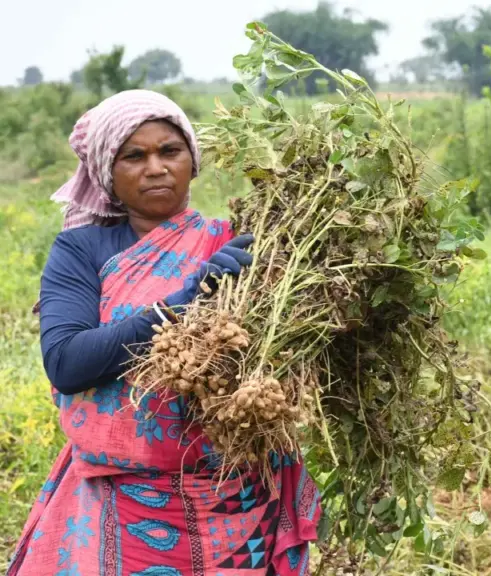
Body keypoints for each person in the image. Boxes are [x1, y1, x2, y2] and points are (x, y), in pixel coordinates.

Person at [6, 90, 321, 576]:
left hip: (235, 504)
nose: (155, 167)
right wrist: (181, 304)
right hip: (119, 500)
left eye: (170, 151)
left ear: (192, 163)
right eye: (134, 156)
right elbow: (67, 362)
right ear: (108, 174)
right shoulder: (81, 250)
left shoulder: (234, 245)